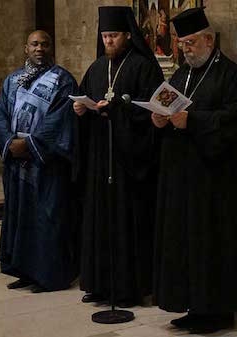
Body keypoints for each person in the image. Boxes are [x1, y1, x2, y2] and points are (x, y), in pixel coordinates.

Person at [151, 8, 237, 334]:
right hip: (181, 177)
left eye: (191, 42)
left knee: (211, 243)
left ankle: (217, 312)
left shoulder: (230, 75)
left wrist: (192, 120)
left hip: (214, 179)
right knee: (184, 242)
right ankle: (192, 306)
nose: (186, 49)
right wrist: (159, 119)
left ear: (209, 40)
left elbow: (235, 120)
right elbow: (168, 107)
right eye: (182, 44)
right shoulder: (181, 74)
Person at [74, 6, 164, 308]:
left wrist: (120, 112)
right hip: (101, 159)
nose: (108, 41)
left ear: (127, 36)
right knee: (99, 220)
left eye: (113, 36)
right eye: (105, 36)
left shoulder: (143, 67)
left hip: (129, 162)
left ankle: (128, 287)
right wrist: (81, 110)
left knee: (127, 222)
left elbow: (152, 110)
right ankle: (99, 284)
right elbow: (85, 99)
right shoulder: (97, 68)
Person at [0, 30, 79, 293]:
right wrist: (9, 142)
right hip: (16, 163)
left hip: (46, 164)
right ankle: (25, 271)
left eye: (44, 44)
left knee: (46, 218)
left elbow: (59, 119)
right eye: (34, 44)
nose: (39, 48)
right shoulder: (12, 81)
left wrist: (30, 145)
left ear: (51, 48)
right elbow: (0, 114)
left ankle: (49, 276)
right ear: (26, 48)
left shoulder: (63, 80)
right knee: (20, 216)